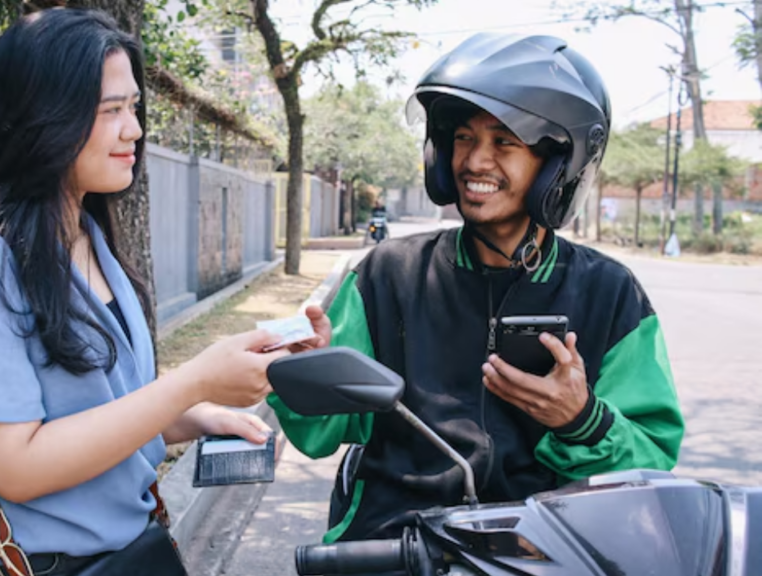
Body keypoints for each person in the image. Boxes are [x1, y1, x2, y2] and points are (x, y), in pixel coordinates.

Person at [0, 9, 294, 576]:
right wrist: (191, 381)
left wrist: (200, 412)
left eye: (133, 108)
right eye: (111, 111)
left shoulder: (92, 242)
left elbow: (104, 415)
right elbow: (17, 466)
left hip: (125, 556)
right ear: (45, 118)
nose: (133, 129)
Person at [269, 32, 685, 550]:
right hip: (398, 542)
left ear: (559, 165)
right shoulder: (388, 273)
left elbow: (651, 457)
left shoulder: (609, 292)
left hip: (551, 547)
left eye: (504, 142)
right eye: (463, 138)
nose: (475, 162)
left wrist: (582, 420)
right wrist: (310, 373)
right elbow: (321, 435)